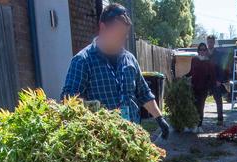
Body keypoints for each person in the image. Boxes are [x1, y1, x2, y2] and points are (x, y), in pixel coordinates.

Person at [61, 3, 170, 139]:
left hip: (132, 136)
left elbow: (144, 93)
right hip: (103, 143)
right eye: (117, 34)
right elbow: (69, 100)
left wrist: (160, 118)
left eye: (124, 35)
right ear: (103, 28)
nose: (122, 39)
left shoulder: (129, 60)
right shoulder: (83, 61)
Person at [187, 43, 215, 133]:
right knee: (194, 106)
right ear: (198, 51)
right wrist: (183, 77)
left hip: (204, 88)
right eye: (200, 49)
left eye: (204, 49)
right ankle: (193, 124)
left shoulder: (208, 62)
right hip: (194, 86)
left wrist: (210, 87)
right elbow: (191, 72)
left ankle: (199, 125)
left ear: (206, 51)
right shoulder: (194, 59)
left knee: (200, 106)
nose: (202, 51)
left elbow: (211, 76)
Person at [206, 35, 230, 125]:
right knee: (201, 100)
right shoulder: (205, 53)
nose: (210, 44)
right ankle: (199, 120)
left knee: (218, 100)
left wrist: (219, 80)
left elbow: (222, 68)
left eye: (211, 42)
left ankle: (220, 119)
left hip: (216, 81)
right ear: (207, 42)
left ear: (214, 42)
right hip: (206, 81)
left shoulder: (218, 54)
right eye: (208, 42)